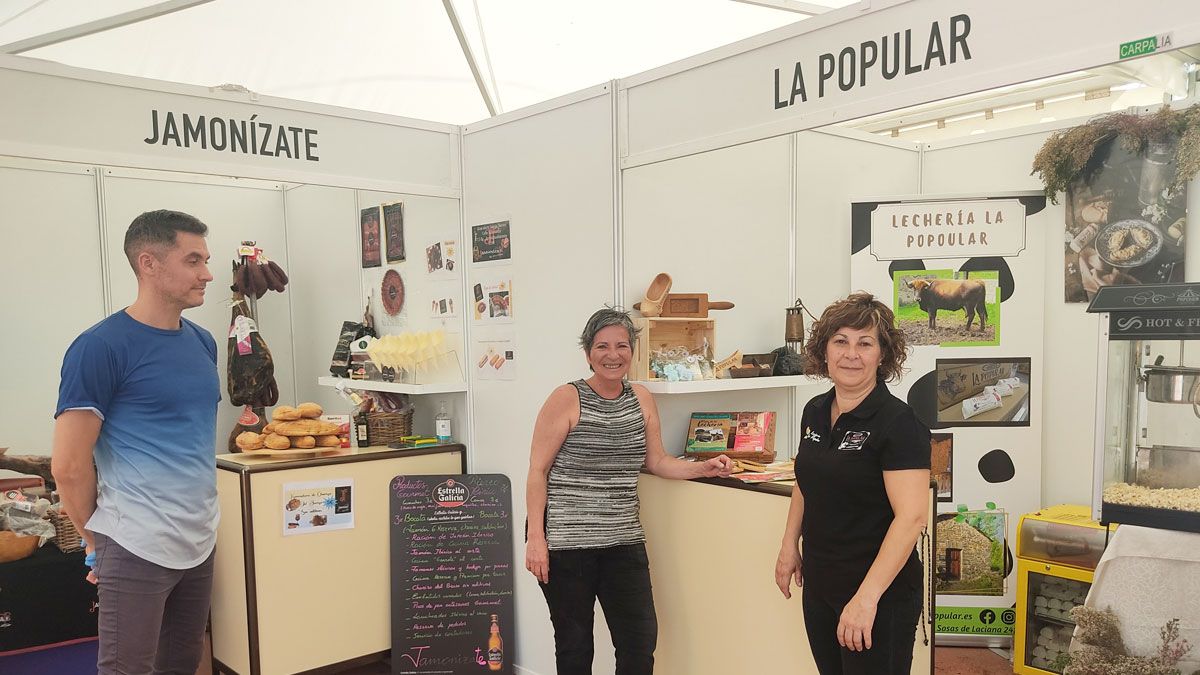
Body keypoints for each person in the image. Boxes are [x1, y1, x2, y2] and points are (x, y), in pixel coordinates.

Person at [51, 209, 220, 675]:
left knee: (181, 664)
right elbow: (67, 464)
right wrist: (94, 545)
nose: (207, 273)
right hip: (135, 544)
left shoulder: (202, 342)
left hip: (200, 541)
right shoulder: (101, 347)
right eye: (193, 261)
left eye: (206, 259)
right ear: (149, 263)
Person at [525, 308, 734, 675]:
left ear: (632, 351)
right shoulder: (566, 398)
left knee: (639, 643)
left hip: (623, 540)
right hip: (566, 545)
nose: (613, 354)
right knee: (575, 649)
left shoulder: (641, 398)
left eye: (622, 345)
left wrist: (702, 467)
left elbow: (657, 462)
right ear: (588, 352)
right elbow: (537, 471)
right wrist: (536, 540)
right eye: (602, 345)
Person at [774, 292, 930, 675]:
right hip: (822, 582)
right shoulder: (814, 410)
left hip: (879, 592)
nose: (851, 354)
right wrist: (788, 544)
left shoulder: (898, 423)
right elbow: (806, 480)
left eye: (865, 343)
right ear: (824, 350)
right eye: (840, 341)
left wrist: (867, 598)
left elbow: (911, 518)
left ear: (882, 355)